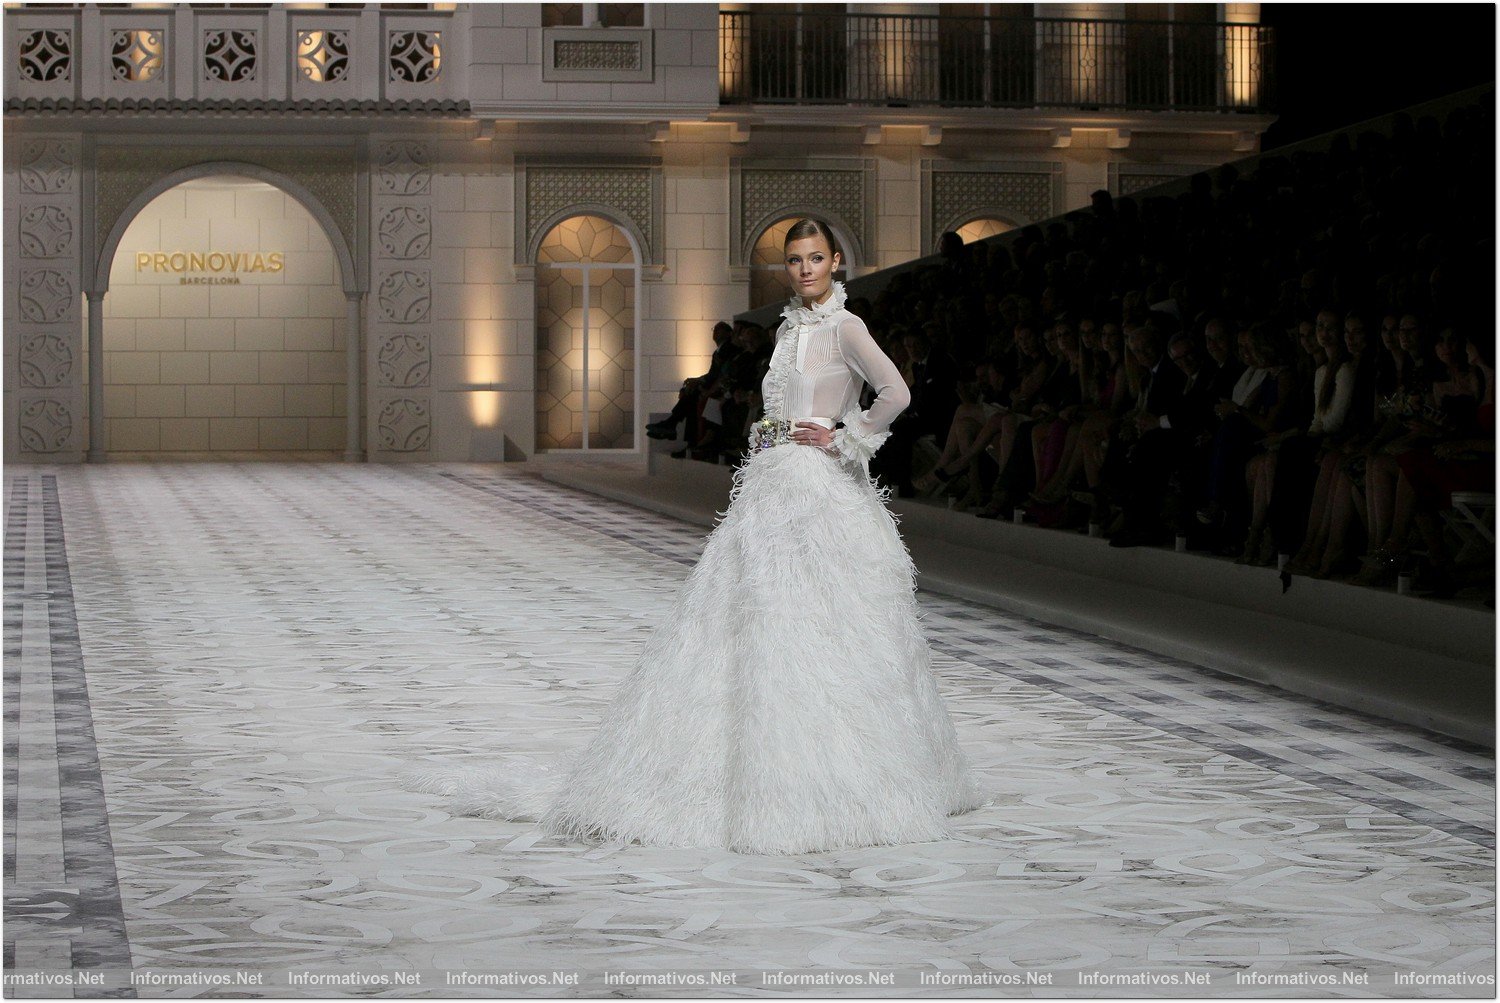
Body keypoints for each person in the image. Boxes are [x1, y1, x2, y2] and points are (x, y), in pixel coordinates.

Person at [406, 218, 987, 854]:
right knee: (756, 620)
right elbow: (775, 410)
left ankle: (835, 776)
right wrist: (771, 434)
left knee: (825, 624)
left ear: (837, 261)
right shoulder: (787, 330)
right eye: (794, 260)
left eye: (816, 258)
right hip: (772, 485)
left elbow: (897, 391)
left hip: (819, 490)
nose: (805, 270)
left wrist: (844, 437)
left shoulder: (846, 327)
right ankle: (749, 769)